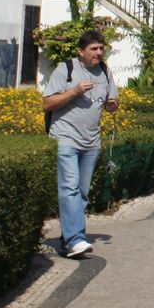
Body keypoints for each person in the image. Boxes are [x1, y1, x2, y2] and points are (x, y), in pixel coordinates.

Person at [42, 29, 119, 258]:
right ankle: (76, 239)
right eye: (93, 49)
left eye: (101, 48)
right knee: (70, 188)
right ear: (80, 51)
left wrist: (112, 104)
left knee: (82, 192)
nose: (99, 52)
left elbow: (110, 100)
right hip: (65, 137)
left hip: (91, 141)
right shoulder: (65, 70)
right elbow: (47, 103)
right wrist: (74, 91)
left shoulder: (105, 71)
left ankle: (69, 241)